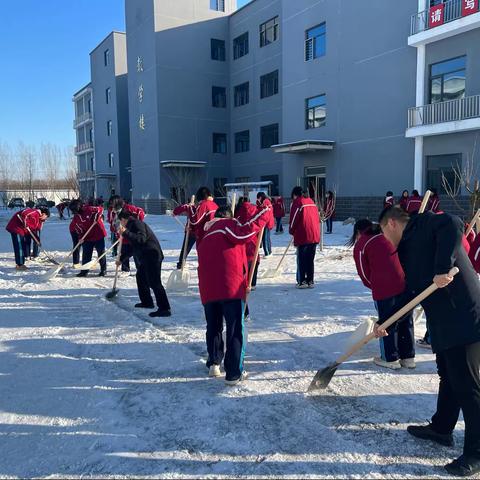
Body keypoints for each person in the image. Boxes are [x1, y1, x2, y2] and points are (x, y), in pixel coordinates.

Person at [379, 206, 480, 477]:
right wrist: (385, 322)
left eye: (383, 233)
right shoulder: (409, 245)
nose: (385, 239)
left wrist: (442, 267)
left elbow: (454, 223)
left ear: (391, 224)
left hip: (464, 316)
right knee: (448, 375)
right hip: (444, 319)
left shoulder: (422, 225)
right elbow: (413, 291)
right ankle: (442, 428)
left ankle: (476, 452)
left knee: (468, 387)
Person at [197, 206, 268, 385]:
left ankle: (214, 362)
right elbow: (245, 231)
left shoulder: (206, 234)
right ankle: (234, 372)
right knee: (235, 328)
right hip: (230, 287)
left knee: (213, 326)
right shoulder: (226, 225)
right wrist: (265, 212)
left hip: (208, 289)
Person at [349, 219, 415, 370]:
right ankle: (408, 357)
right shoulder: (388, 235)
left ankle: (390, 357)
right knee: (404, 318)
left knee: (386, 322)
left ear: (358, 232)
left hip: (384, 288)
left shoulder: (362, 244)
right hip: (405, 283)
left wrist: (374, 285)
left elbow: (364, 273)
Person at [117, 210, 171, 318]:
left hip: (152, 255)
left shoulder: (137, 224)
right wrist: (122, 259)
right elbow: (134, 246)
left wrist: (126, 232)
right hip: (146, 257)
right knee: (141, 277)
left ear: (123, 219)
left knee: (154, 282)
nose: (120, 224)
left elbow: (141, 239)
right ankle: (147, 302)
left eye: (120, 222)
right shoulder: (131, 226)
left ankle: (165, 308)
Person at [289, 187, 320, 289]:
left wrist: (291, 230)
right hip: (314, 234)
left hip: (303, 234)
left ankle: (302, 281)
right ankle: (310, 280)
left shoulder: (298, 202)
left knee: (302, 259)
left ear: (295, 194)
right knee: (310, 259)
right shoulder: (311, 202)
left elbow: (294, 218)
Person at [70, 199, 107, 277]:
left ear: (79, 207)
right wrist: (80, 237)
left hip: (98, 234)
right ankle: (84, 271)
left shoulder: (89, 209)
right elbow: (76, 227)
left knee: (101, 252)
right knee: (86, 253)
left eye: (75, 210)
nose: (74, 213)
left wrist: (97, 216)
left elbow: (101, 209)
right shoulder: (76, 217)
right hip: (87, 237)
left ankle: (103, 270)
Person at [109, 196, 145, 273]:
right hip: (123, 236)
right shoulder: (112, 211)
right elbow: (113, 222)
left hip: (132, 235)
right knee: (124, 253)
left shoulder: (128, 208)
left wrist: (136, 226)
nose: (112, 206)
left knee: (136, 253)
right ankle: (125, 270)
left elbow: (141, 213)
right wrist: (115, 230)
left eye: (113, 204)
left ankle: (141, 270)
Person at [173, 201, 197, 269]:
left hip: (198, 232)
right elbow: (178, 210)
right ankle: (181, 263)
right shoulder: (191, 207)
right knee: (186, 248)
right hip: (192, 231)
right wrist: (175, 212)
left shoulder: (200, 207)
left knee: (187, 248)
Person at [256, 192, 274, 256]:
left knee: (264, 238)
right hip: (268, 222)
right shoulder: (267, 202)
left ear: (261, 197)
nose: (258, 199)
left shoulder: (265, 202)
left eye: (258, 198)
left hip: (266, 223)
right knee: (267, 237)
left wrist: (262, 222)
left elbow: (265, 214)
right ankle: (269, 251)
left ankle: (267, 252)